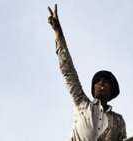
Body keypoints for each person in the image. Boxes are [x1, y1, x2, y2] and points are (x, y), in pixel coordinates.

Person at [47, 4, 127, 141]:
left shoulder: (118, 121)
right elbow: (68, 71)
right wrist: (58, 33)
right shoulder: (81, 104)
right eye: (98, 81)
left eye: (106, 81)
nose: (101, 82)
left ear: (112, 90)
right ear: (93, 87)